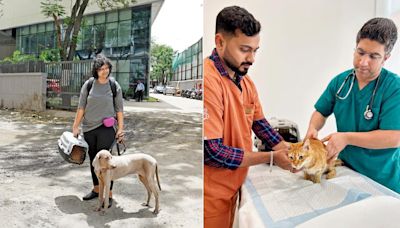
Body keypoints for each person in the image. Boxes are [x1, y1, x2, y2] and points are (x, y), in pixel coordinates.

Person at [203, 6, 294, 227]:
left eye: (255, 50)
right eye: (245, 49)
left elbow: (259, 123)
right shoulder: (209, 81)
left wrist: (285, 148)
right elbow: (210, 152)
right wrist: (271, 158)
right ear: (220, 41)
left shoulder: (246, 82)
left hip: (236, 188)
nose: (252, 58)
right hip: (210, 198)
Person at [305, 18, 400, 193]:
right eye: (360, 52)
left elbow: (394, 137)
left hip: (383, 180)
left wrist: (346, 138)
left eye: (373, 56)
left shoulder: (394, 88)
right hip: (349, 172)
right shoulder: (341, 82)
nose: (363, 62)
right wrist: (313, 127)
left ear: (386, 58)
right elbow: (320, 111)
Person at [72, 54, 124, 206]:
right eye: (101, 69)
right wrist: (75, 126)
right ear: (96, 70)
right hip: (89, 128)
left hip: (107, 129)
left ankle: (108, 193)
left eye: (107, 68)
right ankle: (96, 189)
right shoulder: (89, 85)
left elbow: (119, 109)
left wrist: (120, 128)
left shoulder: (114, 86)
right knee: (94, 161)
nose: (104, 71)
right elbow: (81, 107)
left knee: (106, 161)